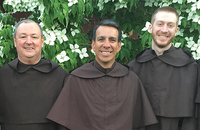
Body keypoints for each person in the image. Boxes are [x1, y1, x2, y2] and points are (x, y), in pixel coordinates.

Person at [46, 19, 158, 130]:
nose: (106, 45)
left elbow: (140, 124)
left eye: (112, 40)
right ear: (93, 44)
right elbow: (64, 124)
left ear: (119, 46)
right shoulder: (75, 80)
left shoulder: (131, 80)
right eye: (101, 39)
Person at [128, 6, 198, 130]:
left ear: (176, 30)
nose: (164, 30)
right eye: (160, 24)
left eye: (170, 25)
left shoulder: (192, 69)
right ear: (151, 28)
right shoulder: (134, 68)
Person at [0, 19, 68, 130]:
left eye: (34, 37)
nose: (28, 41)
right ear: (15, 41)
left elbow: (66, 119)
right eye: (23, 37)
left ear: (42, 42)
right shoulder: (2, 76)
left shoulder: (59, 75)